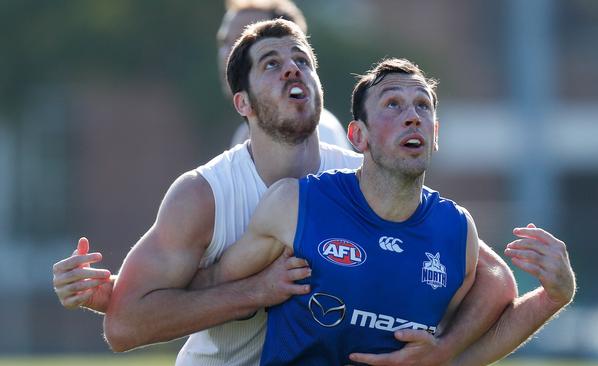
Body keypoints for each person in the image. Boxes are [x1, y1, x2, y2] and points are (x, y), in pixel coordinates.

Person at [50, 19, 562, 366]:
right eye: (271, 64)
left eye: (302, 60)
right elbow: (127, 325)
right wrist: (254, 290)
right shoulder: (203, 194)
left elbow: (488, 275)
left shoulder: (361, 174)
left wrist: (444, 350)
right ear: (242, 103)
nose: (293, 68)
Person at [205, 57, 480, 364]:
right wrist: (258, 290)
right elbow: (217, 283)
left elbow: (492, 305)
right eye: (392, 104)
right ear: (358, 136)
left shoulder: (458, 232)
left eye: (422, 106)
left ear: (435, 134)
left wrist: (547, 296)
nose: (413, 117)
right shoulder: (294, 205)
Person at [218, 0, 350, 148]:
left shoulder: (317, 131)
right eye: (224, 42)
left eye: (243, 41)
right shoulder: (243, 135)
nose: (228, 55)